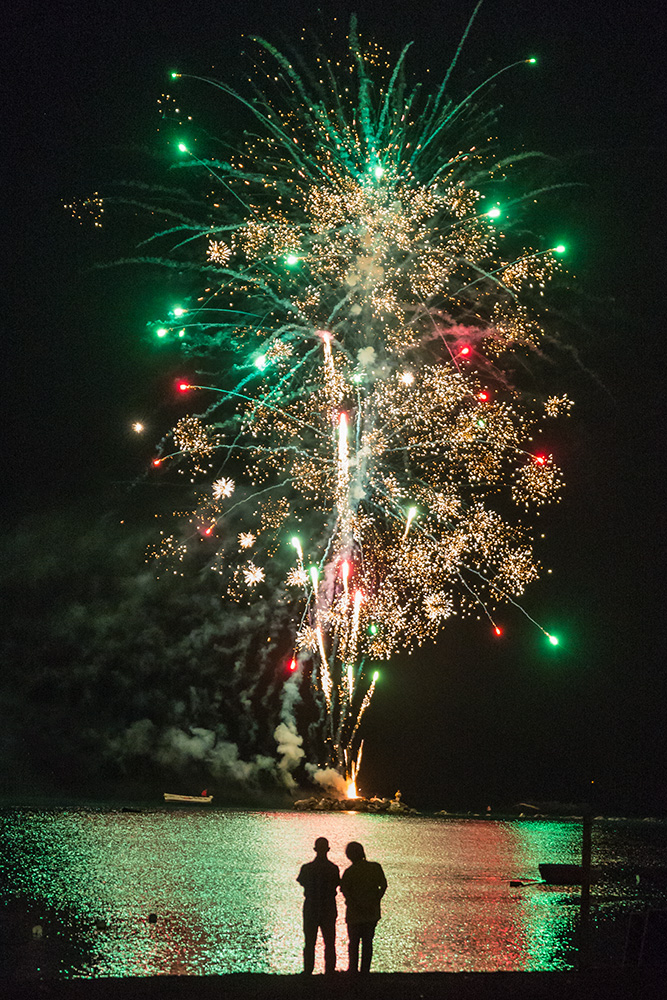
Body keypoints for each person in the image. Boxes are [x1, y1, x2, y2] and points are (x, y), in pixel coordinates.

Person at [340, 841, 387, 974]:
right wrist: (376, 899)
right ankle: (365, 970)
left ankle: (353, 969)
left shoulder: (349, 872)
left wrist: (353, 902)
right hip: (371, 912)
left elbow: (344, 890)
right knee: (367, 942)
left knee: (353, 942)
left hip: (355, 912)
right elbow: (383, 885)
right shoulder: (375, 867)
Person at [296, 836, 340, 974]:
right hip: (328, 907)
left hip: (311, 907)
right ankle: (330, 971)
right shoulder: (333, 868)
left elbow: (302, 882)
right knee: (329, 942)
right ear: (328, 849)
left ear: (315, 849)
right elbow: (336, 884)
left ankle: (308, 970)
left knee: (309, 941)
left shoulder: (307, 868)